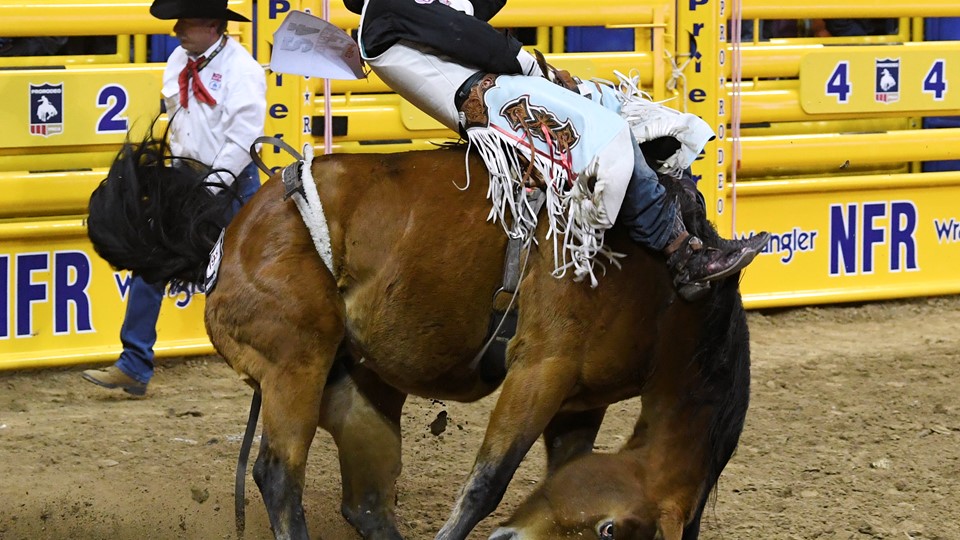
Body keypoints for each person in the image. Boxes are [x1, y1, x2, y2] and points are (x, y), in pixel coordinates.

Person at [347, 0, 768, 295]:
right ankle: (681, 255)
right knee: (606, 135)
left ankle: (692, 232)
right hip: (488, 103)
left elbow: (468, 12)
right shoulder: (386, 9)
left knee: (642, 116)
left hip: (503, 88)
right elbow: (462, 34)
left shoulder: (399, 7)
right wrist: (522, 60)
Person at [82, 0, 267, 396]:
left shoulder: (243, 70)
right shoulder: (178, 62)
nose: (177, 30)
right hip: (189, 180)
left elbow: (243, 140)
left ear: (213, 25)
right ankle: (133, 363)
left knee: (246, 277)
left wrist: (208, 191)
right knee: (153, 262)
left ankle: (268, 360)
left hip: (228, 183)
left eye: (185, 22)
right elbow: (180, 125)